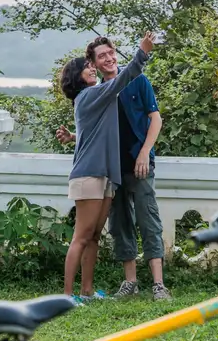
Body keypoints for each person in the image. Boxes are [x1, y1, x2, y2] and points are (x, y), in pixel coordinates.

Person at [57, 35, 170, 300]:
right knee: (109, 228)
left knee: (140, 222)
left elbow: (152, 120)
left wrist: (144, 153)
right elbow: (99, 125)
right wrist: (142, 54)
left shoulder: (131, 82)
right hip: (104, 172)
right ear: (93, 65)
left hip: (128, 167)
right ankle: (115, 285)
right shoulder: (98, 91)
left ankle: (155, 284)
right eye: (99, 58)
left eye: (110, 53)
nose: (107, 59)